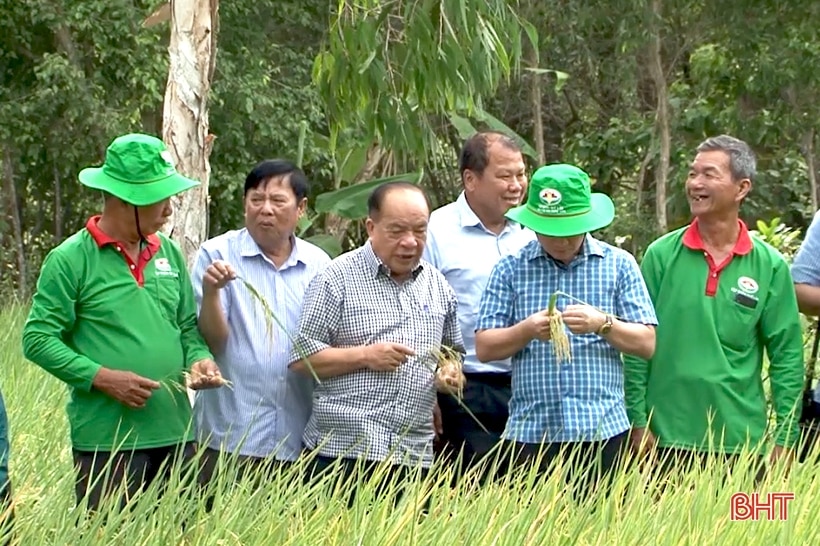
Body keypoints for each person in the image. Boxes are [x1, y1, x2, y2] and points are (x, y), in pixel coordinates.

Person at [21, 133, 224, 512]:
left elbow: (185, 326)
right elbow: (37, 339)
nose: (168, 209)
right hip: (108, 443)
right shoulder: (70, 260)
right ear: (126, 198)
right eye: (160, 198)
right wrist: (103, 378)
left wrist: (199, 358)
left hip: (177, 433)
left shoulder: (169, 254)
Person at [623, 135, 804, 483]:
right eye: (692, 174)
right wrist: (638, 419)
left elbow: (787, 357)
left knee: (751, 528)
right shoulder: (661, 256)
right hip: (663, 441)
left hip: (741, 444)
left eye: (709, 174)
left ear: (741, 188)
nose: (695, 184)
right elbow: (636, 344)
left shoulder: (770, 266)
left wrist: (785, 438)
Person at [474, 163, 657, 495]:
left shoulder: (618, 264)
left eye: (570, 229)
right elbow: (485, 348)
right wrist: (526, 330)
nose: (560, 240)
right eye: (550, 231)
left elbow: (646, 343)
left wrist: (602, 323)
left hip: (602, 431)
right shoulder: (511, 269)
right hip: (532, 432)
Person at [289, 181, 465, 504]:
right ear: (371, 227)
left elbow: (453, 353)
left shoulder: (438, 286)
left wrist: (450, 373)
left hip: (413, 456)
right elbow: (302, 359)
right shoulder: (337, 277)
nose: (410, 242)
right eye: (397, 231)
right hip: (343, 454)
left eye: (420, 231)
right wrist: (365, 356)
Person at [191, 160, 331, 485]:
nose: (265, 209)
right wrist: (212, 291)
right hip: (227, 436)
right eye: (256, 199)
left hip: (297, 437)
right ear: (245, 204)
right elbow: (213, 341)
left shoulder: (319, 265)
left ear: (301, 208)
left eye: (278, 201)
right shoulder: (217, 254)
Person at [422, 132, 535, 483]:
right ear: (470, 179)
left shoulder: (534, 231)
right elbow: (419, 314)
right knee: (473, 494)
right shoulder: (434, 232)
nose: (517, 185)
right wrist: (428, 393)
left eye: (521, 174)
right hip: (465, 387)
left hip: (530, 386)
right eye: (505, 176)